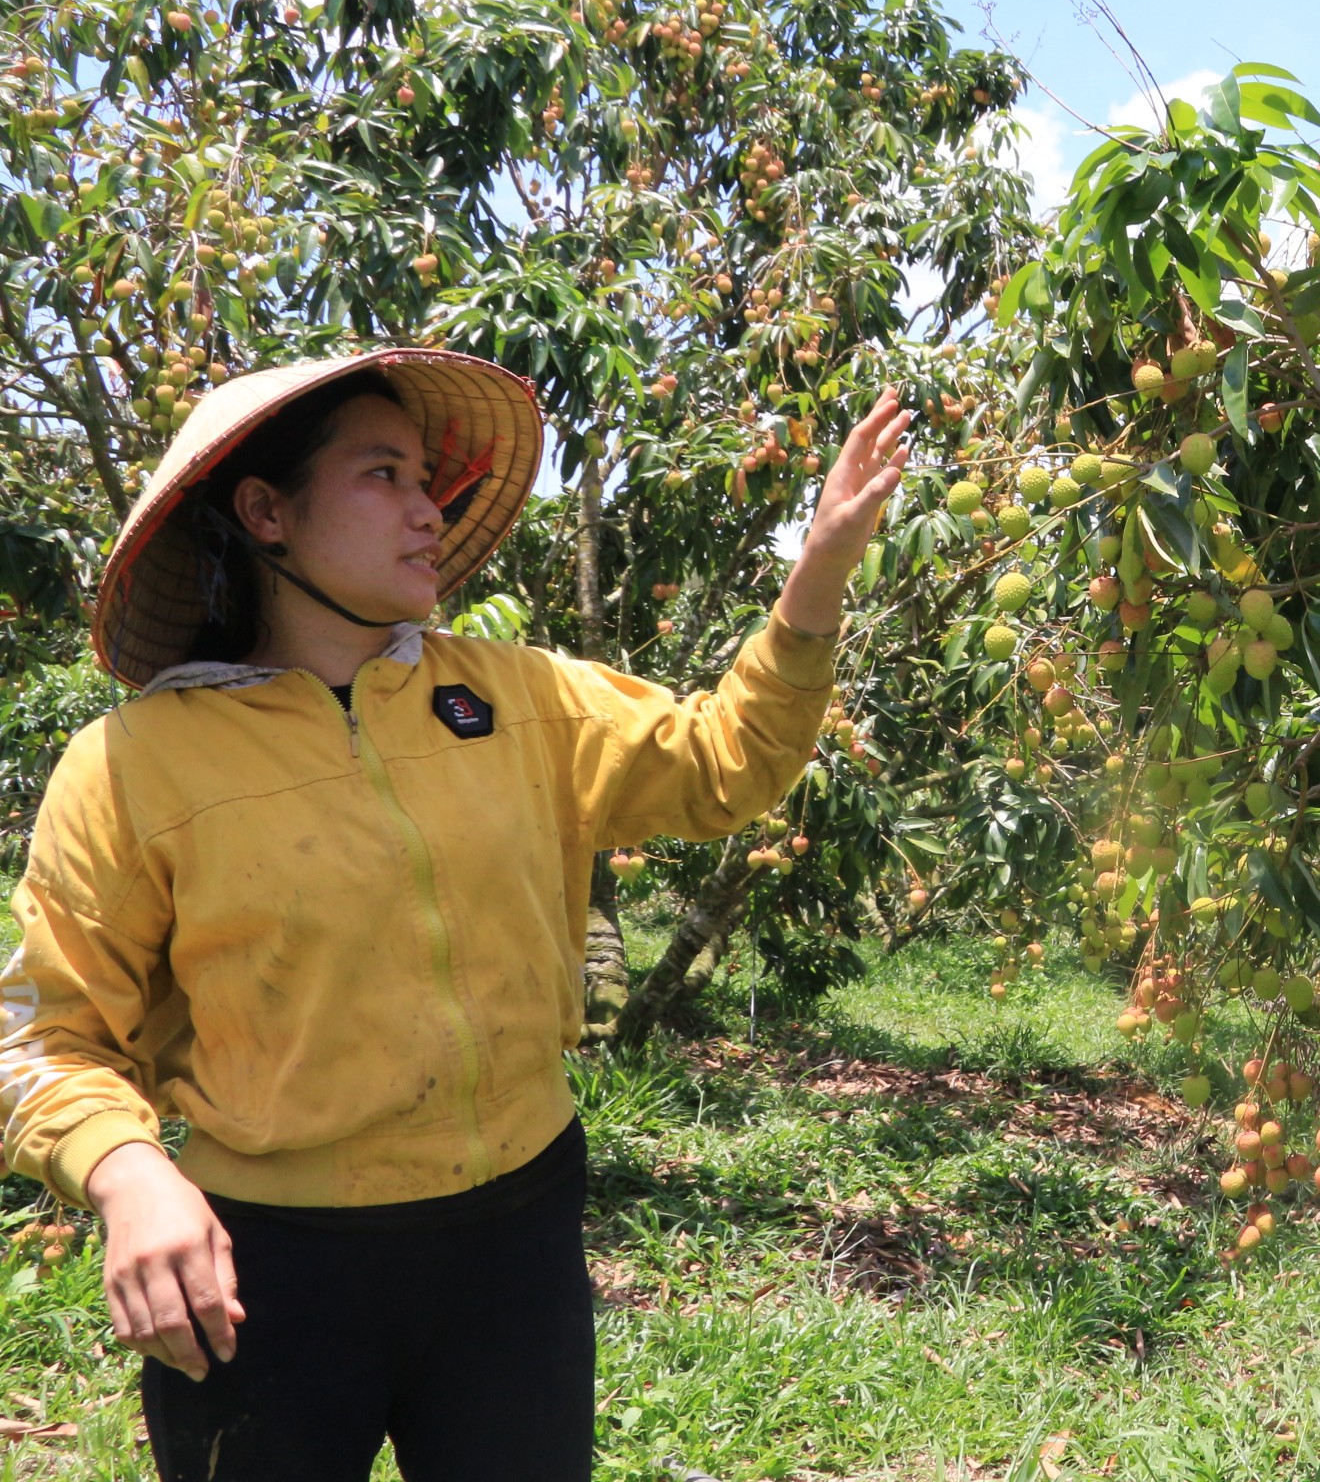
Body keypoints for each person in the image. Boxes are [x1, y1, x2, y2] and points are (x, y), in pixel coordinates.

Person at [0, 347, 910, 1480]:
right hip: (269, 1271)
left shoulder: (515, 695)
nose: (431, 510)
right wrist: (126, 1173)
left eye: (430, 479)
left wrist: (819, 571)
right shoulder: (136, 764)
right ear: (266, 512)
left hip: (512, 1239)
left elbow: (726, 765)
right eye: (385, 475)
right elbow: (46, 1036)